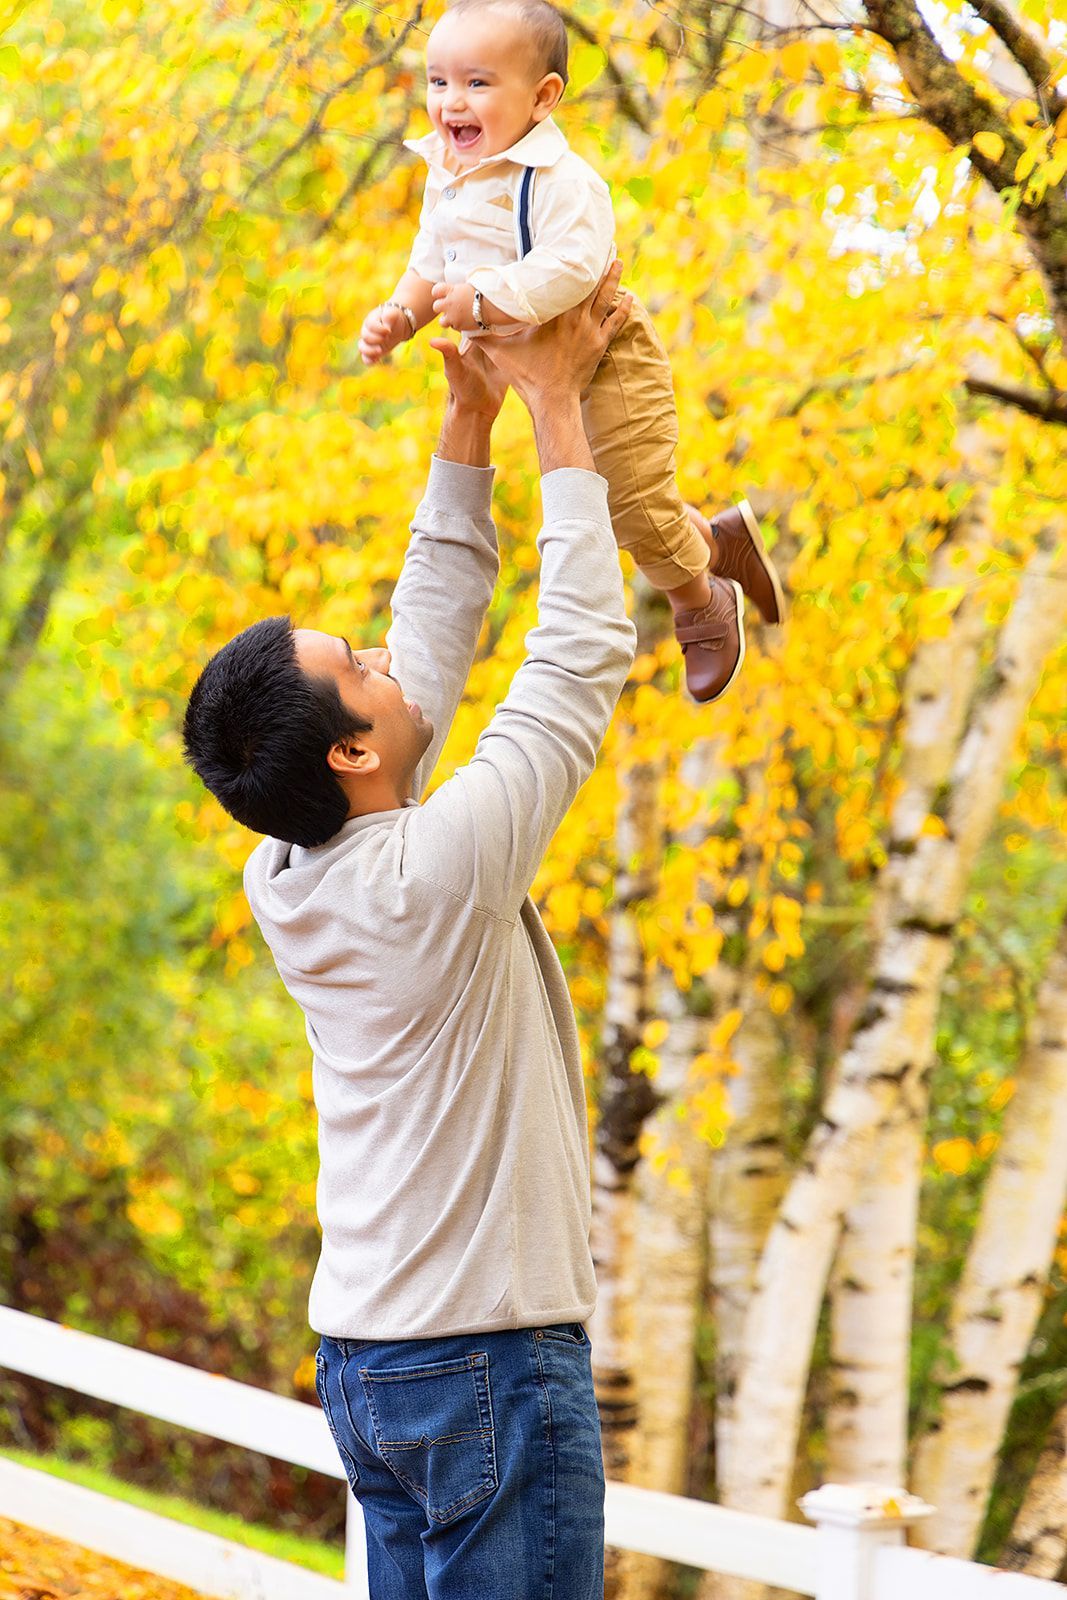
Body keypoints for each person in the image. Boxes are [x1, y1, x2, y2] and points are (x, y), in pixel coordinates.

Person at [182, 265, 636, 1599]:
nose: (383, 655)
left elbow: (423, 643)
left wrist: (463, 419)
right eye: (360, 664)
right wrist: (554, 409)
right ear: (356, 749)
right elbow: (574, 658)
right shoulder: (433, 876)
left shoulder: (291, 866)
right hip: (486, 1361)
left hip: (376, 1364)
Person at [358, 0, 786, 704]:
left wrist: (488, 301)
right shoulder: (449, 173)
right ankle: (717, 540)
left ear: (542, 97)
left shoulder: (560, 180)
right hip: (528, 361)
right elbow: (429, 259)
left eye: (476, 84)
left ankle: (699, 598)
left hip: (606, 348)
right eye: (438, 83)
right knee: (604, 495)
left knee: (625, 505)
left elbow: (575, 266)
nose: (449, 103)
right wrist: (400, 314)